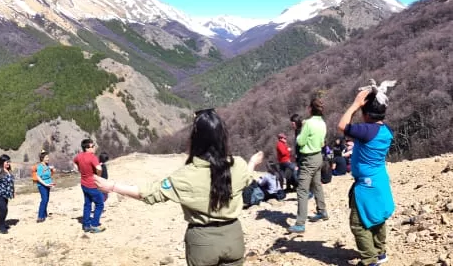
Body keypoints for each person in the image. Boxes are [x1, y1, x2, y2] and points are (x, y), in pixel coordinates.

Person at [95, 109, 264, 266]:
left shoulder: (185, 175)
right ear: (222, 137)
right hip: (233, 237)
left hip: (202, 242)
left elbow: (148, 193)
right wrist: (252, 163)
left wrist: (113, 186)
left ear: (195, 140)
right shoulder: (239, 165)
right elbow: (247, 178)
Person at [336, 84, 397, 266]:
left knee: (358, 223)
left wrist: (355, 104)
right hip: (379, 180)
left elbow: (342, 126)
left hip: (366, 185)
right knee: (377, 216)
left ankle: (370, 260)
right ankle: (380, 252)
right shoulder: (386, 130)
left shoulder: (367, 131)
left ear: (367, 114)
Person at [289, 97, 329, 233]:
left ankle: (300, 223)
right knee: (317, 184)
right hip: (318, 156)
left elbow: (300, 141)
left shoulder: (308, 124)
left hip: (308, 159)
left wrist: (302, 131)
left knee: (302, 190)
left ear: (310, 109)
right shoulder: (322, 123)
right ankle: (322, 211)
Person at [74, 139, 106, 233]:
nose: (94, 148)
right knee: (100, 204)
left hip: (84, 184)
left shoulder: (79, 156)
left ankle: (86, 225)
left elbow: (74, 162)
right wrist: (98, 176)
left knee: (87, 204)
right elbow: (99, 168)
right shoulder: (92, 157)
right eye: (93, 146)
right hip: (92, 185)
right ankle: (95, 225)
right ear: (87, 148)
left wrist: (79, 170)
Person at [31, 151, 55, 223]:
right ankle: (40, 216)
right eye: (46, 157)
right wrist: (45, 184)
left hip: (48, 185)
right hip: (42, 185)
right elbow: (38, 177)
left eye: (48, 157)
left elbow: (49, 175)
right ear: (42, 158)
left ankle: (44, 214)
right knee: (44, 200)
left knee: (46, 199)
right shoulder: (40, 166)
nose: (48, 158)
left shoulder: (47, 166)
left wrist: (52, 171)